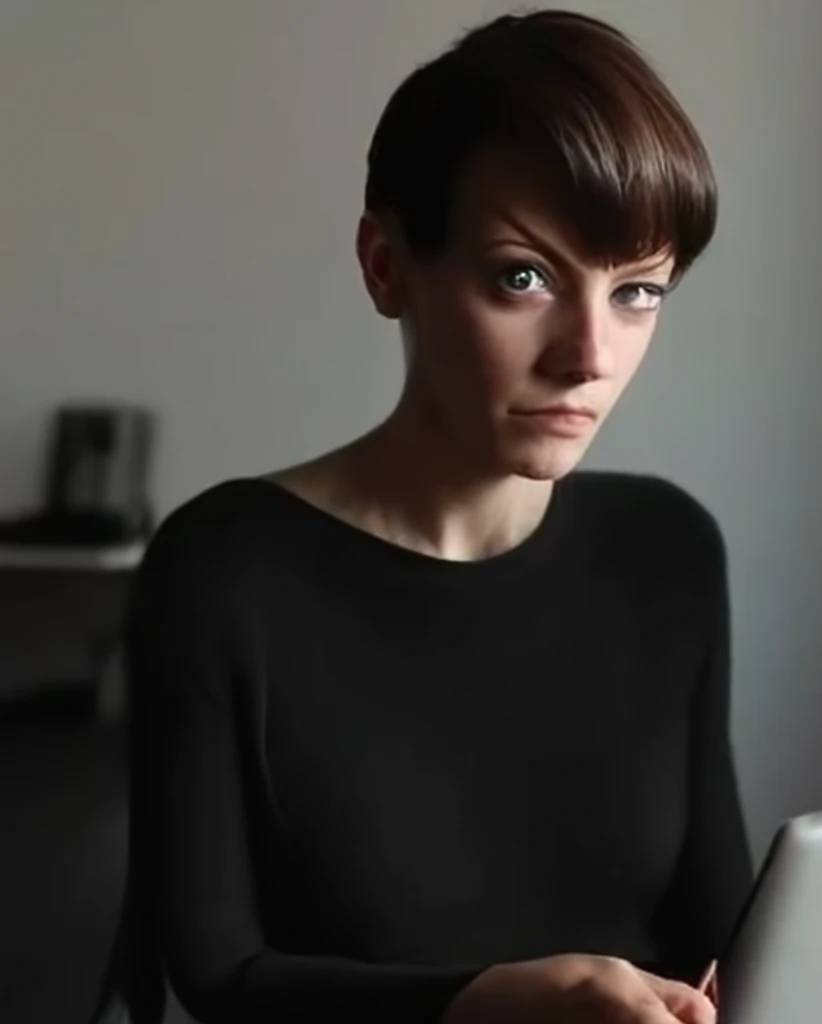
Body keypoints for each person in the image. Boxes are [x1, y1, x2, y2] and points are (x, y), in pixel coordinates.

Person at [88, 8, 754, 1024]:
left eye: (637, 292)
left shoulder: (666, 551)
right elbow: (218, 975)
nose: (589, 355)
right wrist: (488, 1003)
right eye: (523, 277)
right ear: (387, 264)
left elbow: (727, 938)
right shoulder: (224, 569)